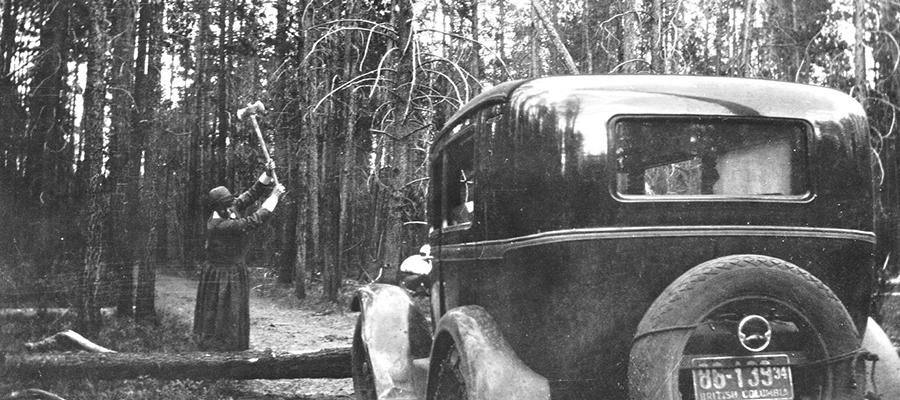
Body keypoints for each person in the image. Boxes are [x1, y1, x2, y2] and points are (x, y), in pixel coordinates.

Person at [193, 161, 285, 351]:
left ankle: (235, 349)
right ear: (216, 208)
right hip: (220, 274)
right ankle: (216, 351)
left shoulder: (228, 208)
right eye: (226, 209)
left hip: (234, 271)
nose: (230, 210)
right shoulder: (218, 226)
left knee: (233, 313)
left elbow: (250, 195)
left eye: (230, 206)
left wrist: (267, 175)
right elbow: (253, 221)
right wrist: (274, 197)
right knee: (218, 312)